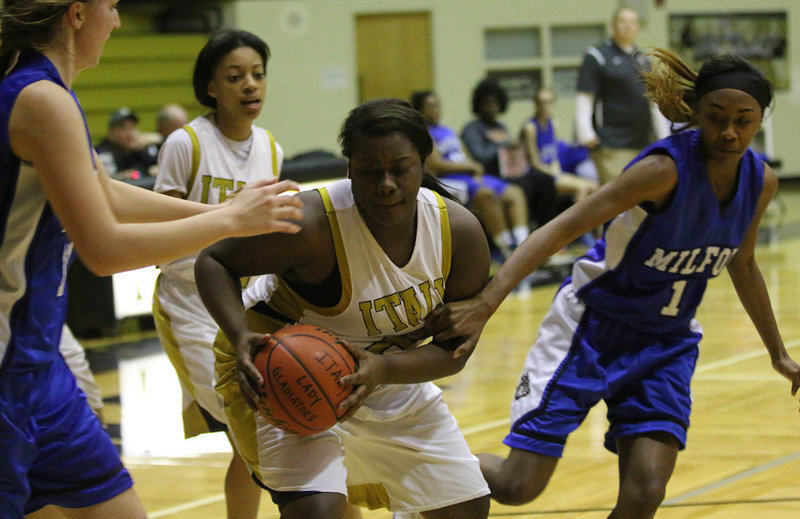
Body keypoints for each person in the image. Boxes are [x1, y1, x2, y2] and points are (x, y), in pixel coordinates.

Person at [426, 49, 800, 518]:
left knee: (645, 492)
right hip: (591, 329)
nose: (729, 131)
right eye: (716, 117)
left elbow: (742, 264)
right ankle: (423, 474)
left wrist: (778, 353)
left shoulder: (759, 180)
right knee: (516, 485)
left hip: (666, 342)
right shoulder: (662, 170)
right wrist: (487, 301)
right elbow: (560, 229)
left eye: (743, 120)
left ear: (760, 118)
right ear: (695, 114)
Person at [0, 2, 303, 518]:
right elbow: (104, 249)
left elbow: (112, 196)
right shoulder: (39, 98)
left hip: (37, 363)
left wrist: (224, 211)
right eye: (112, 7)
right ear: (77, 13)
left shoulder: (49, 92)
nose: (117, 21)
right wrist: (228, 224)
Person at [195, 98, 491, 519]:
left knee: (465, 509)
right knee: (318, 512)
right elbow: (215, 259)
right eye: (370, 171)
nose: (386, 184)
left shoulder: (458, 233)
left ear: (424, 165)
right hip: (283, 370)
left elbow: (455, 352)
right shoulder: (313, 225)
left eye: (400, 169)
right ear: (350, 168)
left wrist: (384, 370)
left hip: (384, 372)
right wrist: (239, 334)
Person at [152, 29, 282, 519]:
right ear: (211, 87)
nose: (250, 85)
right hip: (188, 299)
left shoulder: (271, 148)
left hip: (245, 300)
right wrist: (220, 216)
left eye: (257, 74)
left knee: (246, 435)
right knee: (250, 417)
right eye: (235, 77)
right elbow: (156, 220)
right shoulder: (186, 144)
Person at [411, 90, 529, 261]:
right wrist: (469, 167)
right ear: (420, 110)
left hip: (467, 175)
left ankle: (523, 245)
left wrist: (475, 167)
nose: (436, 109)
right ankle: (508, 252)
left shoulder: (447, 130)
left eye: (437, 105)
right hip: (448, 180)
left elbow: (466, 155)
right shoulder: (422, 134)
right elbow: (435, 165)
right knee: (487, 195)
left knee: (514, 192)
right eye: (431, 106)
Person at [575, 6, 669, 185]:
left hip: (642, 141)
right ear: (613, 25)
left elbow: (653, 102)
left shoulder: (642, 59)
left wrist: (663, 134)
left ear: (638, 27)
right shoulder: (598, 56)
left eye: (632, 23)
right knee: (616, 196)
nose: (627, 26)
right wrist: (585, 132)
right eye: (623, 22)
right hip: (612, 142)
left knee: (641, 199)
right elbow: (585, 97)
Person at [461, 78, 558, 231]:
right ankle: (525, 233)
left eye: (495, 103)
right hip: (490, 174)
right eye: (487, 103)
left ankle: (549, 230)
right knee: (525, 186)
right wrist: (503, 144)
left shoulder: (501, 126)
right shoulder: (472, 129)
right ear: (478, 104)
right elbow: (480, 157)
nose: (492, 107)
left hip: (512, 170)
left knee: (545, 180)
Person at [520, 87, 598, 205]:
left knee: (595, 186)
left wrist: (557, 169)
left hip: (554, 171)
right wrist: (553, 172)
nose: (544, 106)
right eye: (540, 102)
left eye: (547, 102)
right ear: (535, 104)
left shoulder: (554, 123)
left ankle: (590, 222)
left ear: (553, 103)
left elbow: (554, 153)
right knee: (583, 188)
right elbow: (534, 162)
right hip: (541, 175)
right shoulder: (530, 128)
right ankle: (576, 222)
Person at [95, 106, 159, 179]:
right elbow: (105, 181)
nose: (130, 134)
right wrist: (125, 176)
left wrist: (157, 139)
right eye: (124, 128)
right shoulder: (104, 154)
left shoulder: (139, 148)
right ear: (111, 132)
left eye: (132, 128)